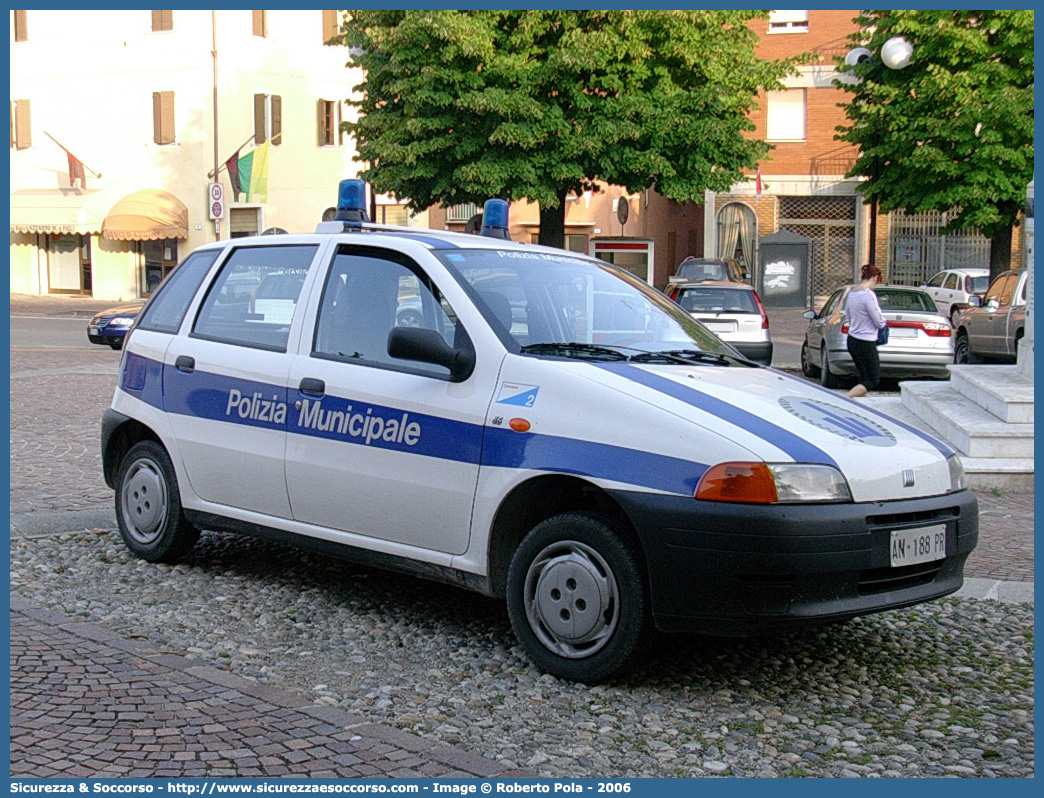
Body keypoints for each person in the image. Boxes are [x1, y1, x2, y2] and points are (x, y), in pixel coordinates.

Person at [844, 263, 887, 398]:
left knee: (863, 376)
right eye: (877, 281)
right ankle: (846, 398)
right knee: (872, 379)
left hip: (852, 339)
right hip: (866, 340)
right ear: (874, 278)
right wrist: (884, 323)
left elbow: (848, 315)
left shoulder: (852, 292)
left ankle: (858, 404)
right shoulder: (868, 295)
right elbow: (879, 321)